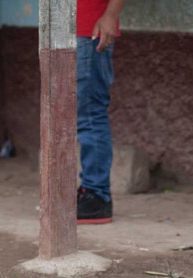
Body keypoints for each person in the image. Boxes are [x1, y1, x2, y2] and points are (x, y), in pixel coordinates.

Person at [76, 0, 125, 224]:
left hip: (91, 31)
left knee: (90, 114)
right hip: (71, 31)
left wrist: (110, 15)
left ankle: (96, 195)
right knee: (82, 114)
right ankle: (90, 190)